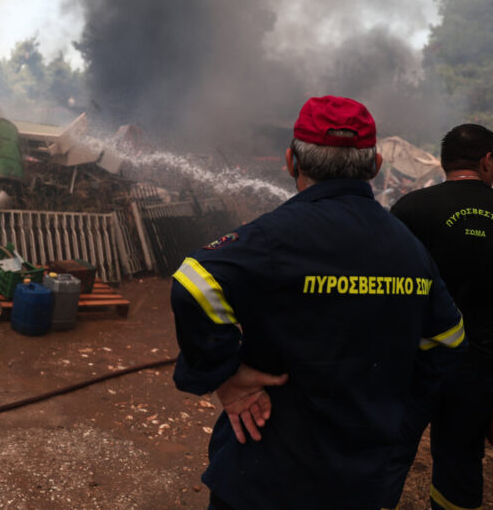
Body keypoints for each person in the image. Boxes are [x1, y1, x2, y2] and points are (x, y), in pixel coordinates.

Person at [170, 95, 467, 510]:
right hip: (361, 482)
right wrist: (399, 414)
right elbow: (449, 339)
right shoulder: (409, 250)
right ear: (377, 165)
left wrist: (227, 374)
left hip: (265, 471)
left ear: (292, 162)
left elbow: (193, 284)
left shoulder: (270, 238)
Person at [383, 124, 493, 510]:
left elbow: (386, 283)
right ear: (487, 161)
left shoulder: (410, 209)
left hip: (411, 358)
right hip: (481, 362)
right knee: (460, 463)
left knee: (385, 453)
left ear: (443, 161)